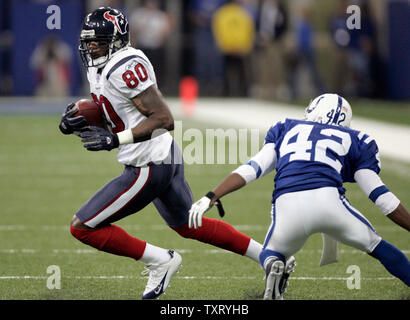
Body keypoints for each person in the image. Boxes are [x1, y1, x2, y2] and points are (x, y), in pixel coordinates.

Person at [58, 6, 277, 300]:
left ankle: (160, 261)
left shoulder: (124, 65)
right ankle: (268, 256)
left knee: (82, 227)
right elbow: (115, 107)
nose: (91, 47)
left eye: (98, 41)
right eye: (89, 41)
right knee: (188, 224)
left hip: (148, 164)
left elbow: (164, 119)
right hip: (165, 156)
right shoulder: (101, 64)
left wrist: (114, 139)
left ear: (118, 40)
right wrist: (80, 115)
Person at [189, 93, 410, 300]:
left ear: (314, 110)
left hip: (288, 203)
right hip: (329, 202)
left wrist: (212, 195)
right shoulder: (356, 139)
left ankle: (274, 264)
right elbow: (380, 196)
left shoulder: (286, 128)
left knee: (270, 253)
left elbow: (253, 168)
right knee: (375, 244)